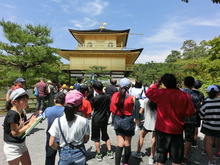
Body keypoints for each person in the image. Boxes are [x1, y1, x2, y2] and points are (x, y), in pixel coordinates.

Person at [145, 73, 195, 165]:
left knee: (160, 158)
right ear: (175, 82)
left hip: (162, 129)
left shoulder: (161, 93)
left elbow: (148, 93)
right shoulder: (184, 96)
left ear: (163, 83)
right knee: (176, 159)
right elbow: (190, 113)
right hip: (177, 130)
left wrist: (157, 83)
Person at [49, 90, 90, 165]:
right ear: (80, 106)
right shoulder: (84, 121)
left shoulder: (57, 121)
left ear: (65, 103)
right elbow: (86, 139)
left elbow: (51, 143)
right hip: (79, 151)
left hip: (64, 153)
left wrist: (59, 148)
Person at [3, 88, 38, 165]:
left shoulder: (21, 111)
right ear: (15, 102)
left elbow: (23, 124)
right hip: (12, 146)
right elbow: (14, 133)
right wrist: (30, 124)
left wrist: (33, 117)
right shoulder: (13, 114)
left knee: (28, 163)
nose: (26, 102)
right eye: (24, 100)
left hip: (21, 143)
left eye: (27, 100)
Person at [110, 78, 135, 165]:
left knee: (120, 143)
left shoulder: (114, 96)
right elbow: (132, 110)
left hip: (117, 119)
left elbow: (112, 109)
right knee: (127, 143)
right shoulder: (130, 98)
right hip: (128, 121)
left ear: (119, 86)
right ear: (129, 86)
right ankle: (125, 163)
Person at [91, 81, 114, 161]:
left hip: (96, 118)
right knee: (105, 134)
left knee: (96, 137)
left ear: (96, 89)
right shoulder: (108, 97)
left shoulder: (94, 98)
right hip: (104, 118)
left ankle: (98, 154)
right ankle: (110, 151)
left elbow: (92, 108)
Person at [131, 98, 157, 165]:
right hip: (156, 123)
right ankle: (152, 157)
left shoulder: (146, 100)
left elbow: (141, 111)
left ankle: (138, 152)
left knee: (141, 135)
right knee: (154, 139)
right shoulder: (159, 100)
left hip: (147, 123)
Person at [43, 92, 66, 165]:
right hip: (64, 138)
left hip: (51, 138)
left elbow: (40, 118)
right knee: (64, 159)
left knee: (49, 158)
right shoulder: (66, 110)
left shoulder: (48, 110)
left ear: (54, 100)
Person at [182, 76, 200, 164]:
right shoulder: (195, 96)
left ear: (184, 83)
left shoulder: (178, 93)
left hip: (179, 119)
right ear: (193, 84)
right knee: (188, 138)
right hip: (191, 120)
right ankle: (185, 157)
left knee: (177, 136)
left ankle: (173, 153)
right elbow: (197, 109)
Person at [199, 85, 220, 165]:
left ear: (207, 93)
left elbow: (201, 115)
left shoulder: (206, 102)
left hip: (208, 126)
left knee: (209, 142)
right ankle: (217, 153)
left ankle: (211, 161)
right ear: (218, 93)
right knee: (218, 139)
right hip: (218, 126)